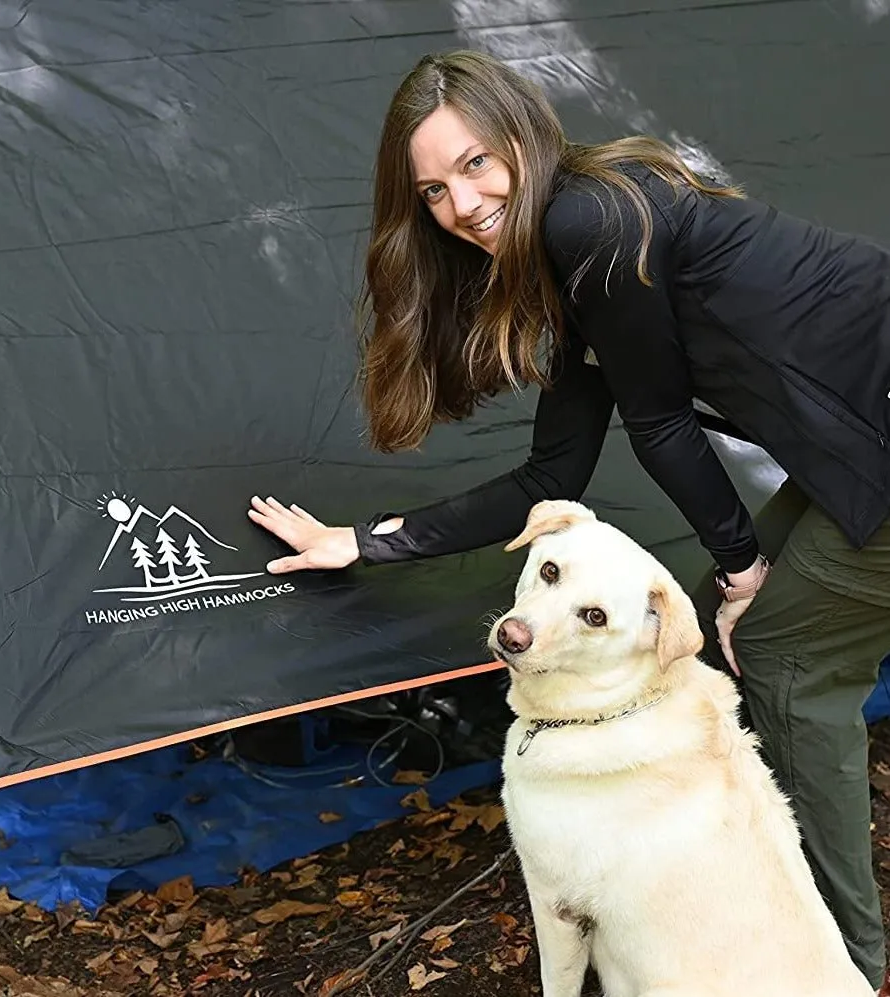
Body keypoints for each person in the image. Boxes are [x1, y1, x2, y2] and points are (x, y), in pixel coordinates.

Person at [247, 49, 890, 989]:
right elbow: (549, 476)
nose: (461, 205)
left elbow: (662, 425)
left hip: (872, 436)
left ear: (522, 135)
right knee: (757, 636)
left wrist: (740, 564)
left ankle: (839, 959)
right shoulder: (581, 238)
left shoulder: (591, 218)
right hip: (859, 444)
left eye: (474, 164)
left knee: (788, 656)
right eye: (431, 189)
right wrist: (362, 540)